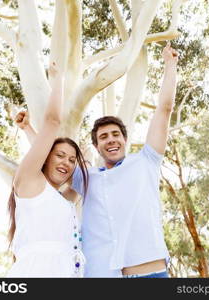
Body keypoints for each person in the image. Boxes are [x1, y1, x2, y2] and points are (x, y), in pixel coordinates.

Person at [18, 43, 178, 277]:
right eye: (103, 137)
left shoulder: (146, 161)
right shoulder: (87, 177)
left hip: (149, 273)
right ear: (96, 146)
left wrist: (170, 65)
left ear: (125, 139)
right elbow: (51, 159)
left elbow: (164, 109)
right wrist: (27, 128)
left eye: (116, 135)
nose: (111, 140)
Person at [7, 63, 88, 277]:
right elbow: (52, 121)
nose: (67, 163)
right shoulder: (29, 185)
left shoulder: (63, 199)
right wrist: (58, 79)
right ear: (44, 158)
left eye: (72, 160)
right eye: (60, 156)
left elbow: (82, 173)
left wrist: (28, 129)